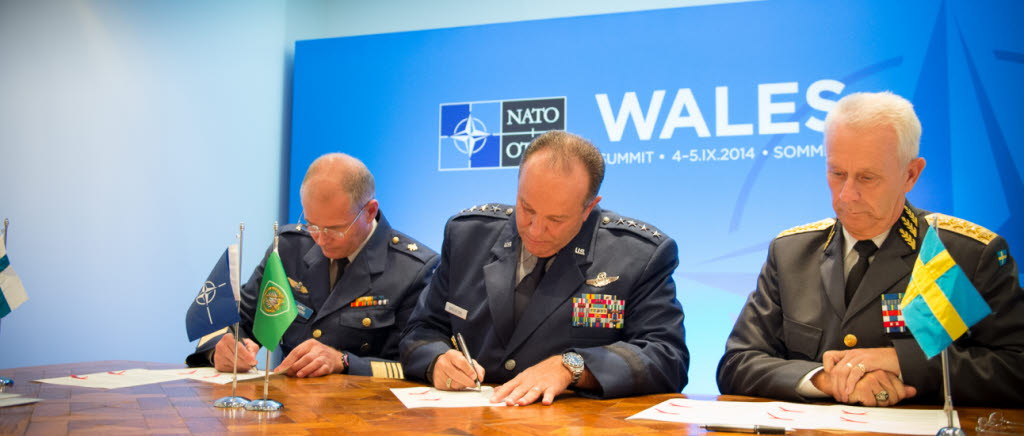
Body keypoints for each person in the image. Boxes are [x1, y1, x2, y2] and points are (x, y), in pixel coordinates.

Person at [717, 91, 1024, 406]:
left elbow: (1016, 369)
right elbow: (737, 364)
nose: (847, 195)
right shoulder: (791, 253)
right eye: (837, 174)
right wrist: (825, 380)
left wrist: (901, 363)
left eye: (867, 177)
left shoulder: (961, 255)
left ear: (910, 174)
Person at [400, 130, 688, 406]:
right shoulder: (467, 236)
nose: (536, 230)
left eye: (556, 219)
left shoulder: (639, 256)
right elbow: (421, 330)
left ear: (589, 208)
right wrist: (436, 360)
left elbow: (668, 357)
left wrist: (573, 367)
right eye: (527, 209)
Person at [186, 153, 438, 378]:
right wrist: (225, 349)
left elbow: (413, 365)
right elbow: (238, 321)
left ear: (370, 211)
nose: (319, 238)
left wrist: (344, 362)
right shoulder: (289, 249)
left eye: (335, 229)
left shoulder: (413, 269)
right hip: (288, 411)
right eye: (312, 224)